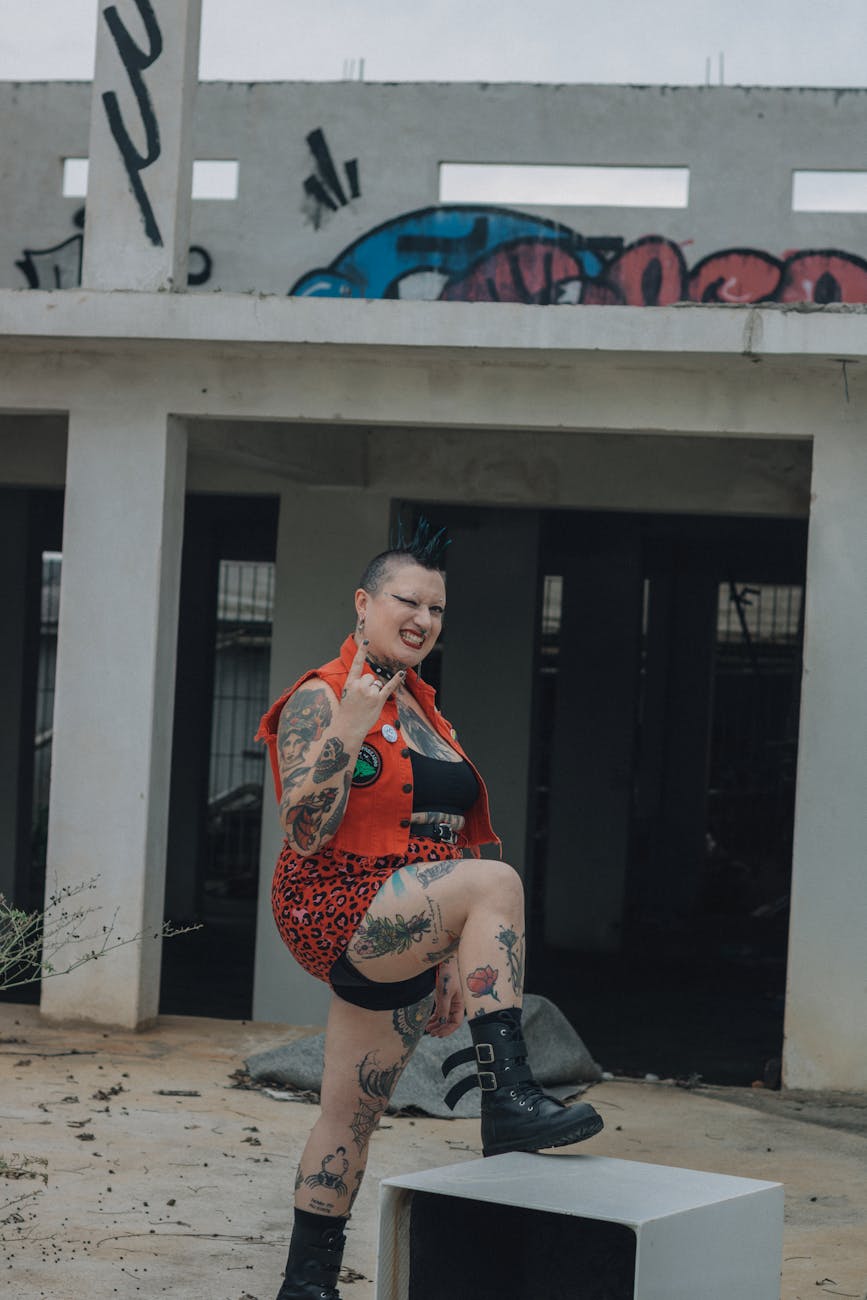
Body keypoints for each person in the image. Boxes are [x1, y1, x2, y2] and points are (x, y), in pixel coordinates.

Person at [257, 526, 603, 1300]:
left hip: (397, 914)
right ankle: (507, 1094)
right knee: (495, 880)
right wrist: (346, 726)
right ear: (363, 603)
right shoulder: (323, 694)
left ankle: (304, 1283)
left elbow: (434, 838)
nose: (420, 619)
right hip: (332, 900)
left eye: (435, 609)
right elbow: (305, 832)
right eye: (405, 601)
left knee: (349, 1114)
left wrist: (448, 951)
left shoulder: (425, 710)